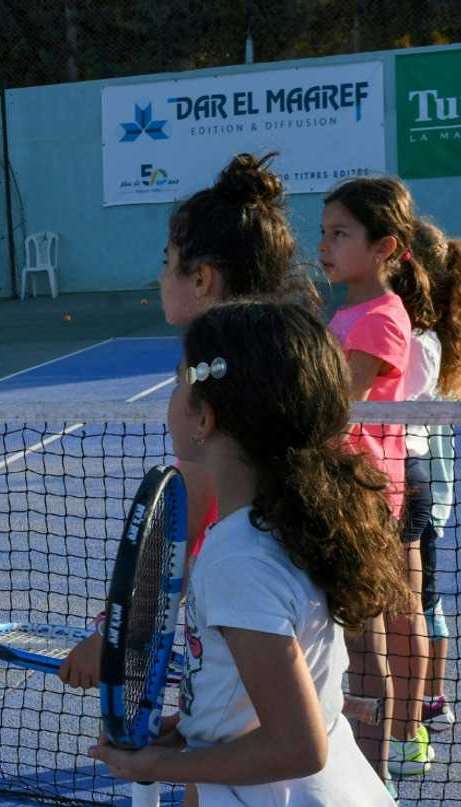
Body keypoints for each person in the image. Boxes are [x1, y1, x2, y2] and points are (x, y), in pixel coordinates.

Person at [89, 300, 406, 805]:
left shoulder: (239, 560)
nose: (171, 398)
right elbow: (257, 705)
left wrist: (164, 764)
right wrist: (190, 732)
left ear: (205, 419)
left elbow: (297, 746)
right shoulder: (288, 525)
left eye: (178, 385)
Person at [59, 152, 303, 670]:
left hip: (242, 599)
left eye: (167, 261)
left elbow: (180, 529)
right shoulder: (290, 357)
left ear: (201, 279)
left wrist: (116, 634)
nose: (160, 277)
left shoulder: (204, 379)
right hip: (292, 588)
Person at [320, 177, 434, 786]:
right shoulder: (349, 311)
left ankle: (374, 775)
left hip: (363, 498)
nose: (325, 245)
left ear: (385, 246)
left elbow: (338, 402)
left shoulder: (382, 317)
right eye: (323, 233)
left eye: (341, 234)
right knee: (345, 637)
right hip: (338, 490)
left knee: (365, 644)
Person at [408, 220, 461, 734]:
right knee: (429, 598)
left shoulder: (422, 340)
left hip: (418, 482)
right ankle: (433, 698)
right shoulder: (444, 334)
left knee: (416, 603)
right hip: (436, 489)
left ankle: (419, 706)